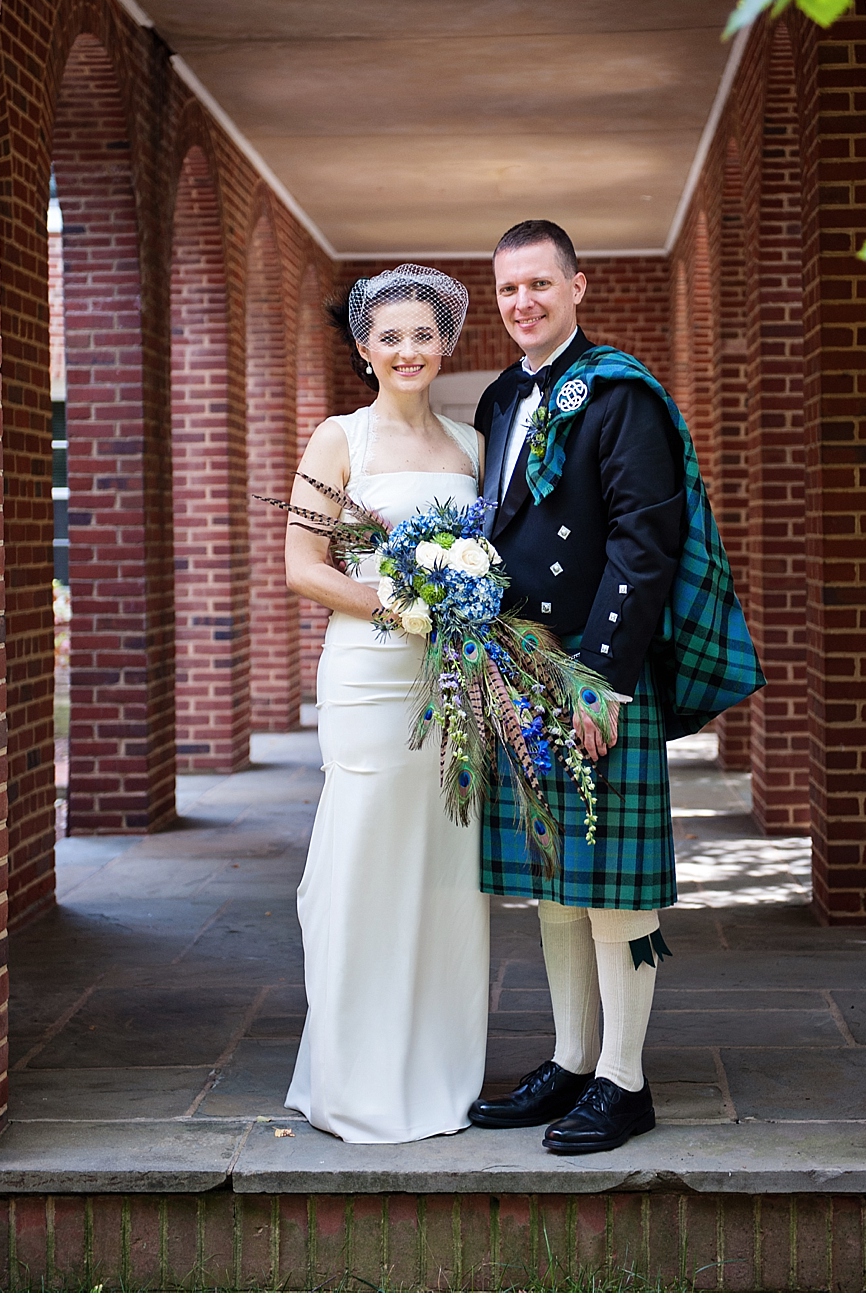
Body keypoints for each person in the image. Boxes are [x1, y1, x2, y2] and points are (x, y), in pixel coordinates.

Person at [469, 220, 762, 1156]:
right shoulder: (501, 398)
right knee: (555, 882)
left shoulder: (620, 393)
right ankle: (568, 1057)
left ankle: (624, 1079)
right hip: (522, 665)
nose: (524, 302)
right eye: (509, 288)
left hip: (594, 666)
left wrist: (602, 678)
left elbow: (644, 540)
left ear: (578, 287)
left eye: (540, 284)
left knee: (617, 889)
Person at [283, 264, 490, 1144]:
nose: (409, 350)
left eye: (424, 334)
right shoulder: (340, 440)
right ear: (365, 348)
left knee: (446, 867)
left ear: (446, 343)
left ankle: (437, 1070)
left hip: (452, 681)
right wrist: (398, 605)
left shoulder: (472, 447)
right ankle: (355, 1076)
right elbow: (302, 564)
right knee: (361, 860)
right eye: (390, 336)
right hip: (369, 676)